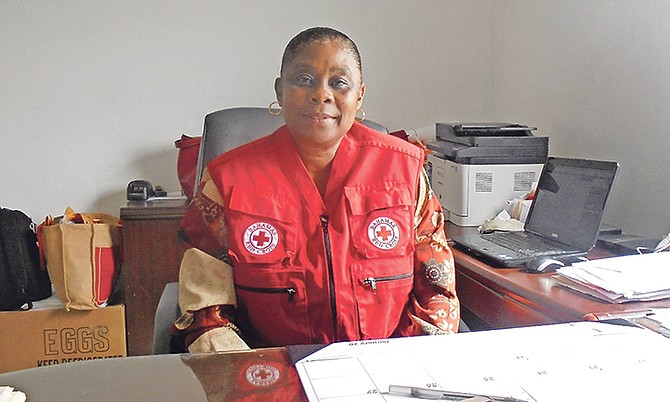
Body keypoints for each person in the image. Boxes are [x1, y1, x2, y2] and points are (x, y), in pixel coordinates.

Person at [171, 27, 460, 353]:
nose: (321, 94)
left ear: (359, 96)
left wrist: (405, 370)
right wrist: (255, 382)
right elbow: (206, 312)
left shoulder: (404, 172)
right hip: (271, 375)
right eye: (304, 80)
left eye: (339, 83)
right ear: (280, 91)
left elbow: (437, 292)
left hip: (385, 371)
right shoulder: (226, 180)